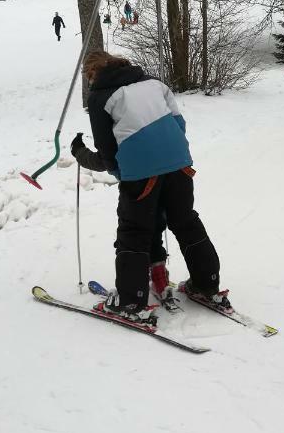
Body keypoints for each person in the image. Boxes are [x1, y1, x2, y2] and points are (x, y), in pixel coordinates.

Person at [70, 50, 227, 322]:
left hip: (141, 171)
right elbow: (179, 123)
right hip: (179, 161)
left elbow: (108, 156)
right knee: (185, 221)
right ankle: (207, 285)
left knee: (134, 230)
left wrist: (80, 153)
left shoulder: (100, 97)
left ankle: (131, 302)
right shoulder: (154, 83)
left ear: (93, 73)